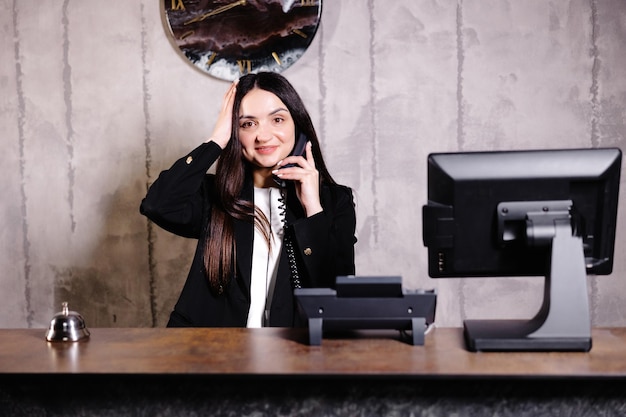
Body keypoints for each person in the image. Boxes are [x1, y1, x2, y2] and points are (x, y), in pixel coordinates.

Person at [140, 72, 357, 327]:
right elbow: (158, 204)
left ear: (297, 127)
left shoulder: (334, 201)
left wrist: (313, 209)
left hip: (294, 355)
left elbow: (337, 294)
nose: (263, 136)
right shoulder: (215, 195)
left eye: (277, 119)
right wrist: (217, 140)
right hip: (211, 353)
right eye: (247, 124)